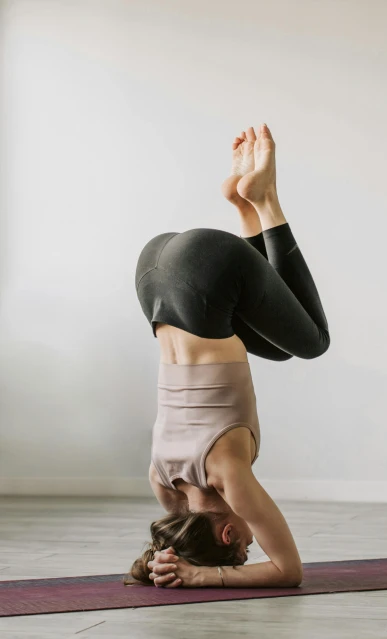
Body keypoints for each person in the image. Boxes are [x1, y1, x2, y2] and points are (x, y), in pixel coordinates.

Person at [126, 124, 329, 588]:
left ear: (229, 530)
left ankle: (264, 199)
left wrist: (202, 576)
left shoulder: (228, 476)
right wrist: (167, 560)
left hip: (206, 268)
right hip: (155, 279)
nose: (249, 546)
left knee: (314, 341)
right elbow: (178, 526)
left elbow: (287, 571)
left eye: (240, 548)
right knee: (280, 352)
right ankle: (243, 205)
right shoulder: (166, 486)